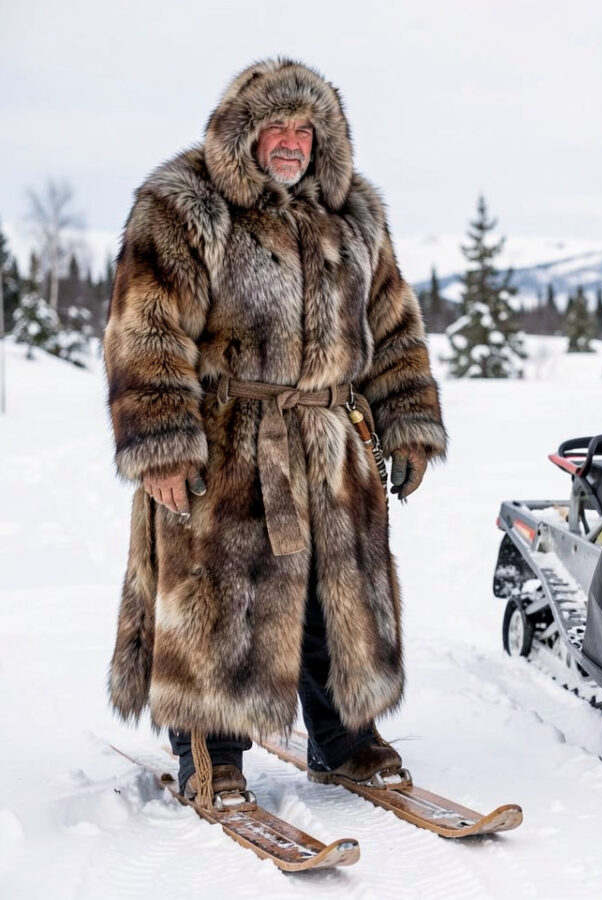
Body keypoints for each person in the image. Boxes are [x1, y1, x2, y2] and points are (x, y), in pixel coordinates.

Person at [103, 58, 447, 805]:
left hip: (330, 440)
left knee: (338, 596)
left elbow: (393, 328)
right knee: (218, 599)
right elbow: (145, 331)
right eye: (276, 128)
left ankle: (345, 739)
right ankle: (211, 751)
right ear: (243, 135)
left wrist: (409, 422)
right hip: (227, 440)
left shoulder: (356, 215)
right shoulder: (183, 205)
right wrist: (160, 442)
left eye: (306, 129)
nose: (292, 142)